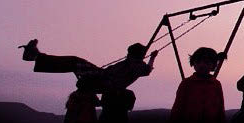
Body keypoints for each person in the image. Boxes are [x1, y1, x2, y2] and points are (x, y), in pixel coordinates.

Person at [18, 39, 157, 92]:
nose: (127, 55)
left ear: (134, 54)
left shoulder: (137, 66)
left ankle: (34, 55)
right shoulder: (132, 63)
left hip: (104, 80)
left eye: (129, 53)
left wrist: (152, 58)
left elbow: (148, 70)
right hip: (102, 76)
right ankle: (35, 56)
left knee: (74, 62)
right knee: (74, 62)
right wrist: (150, 57)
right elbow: (146, 69)